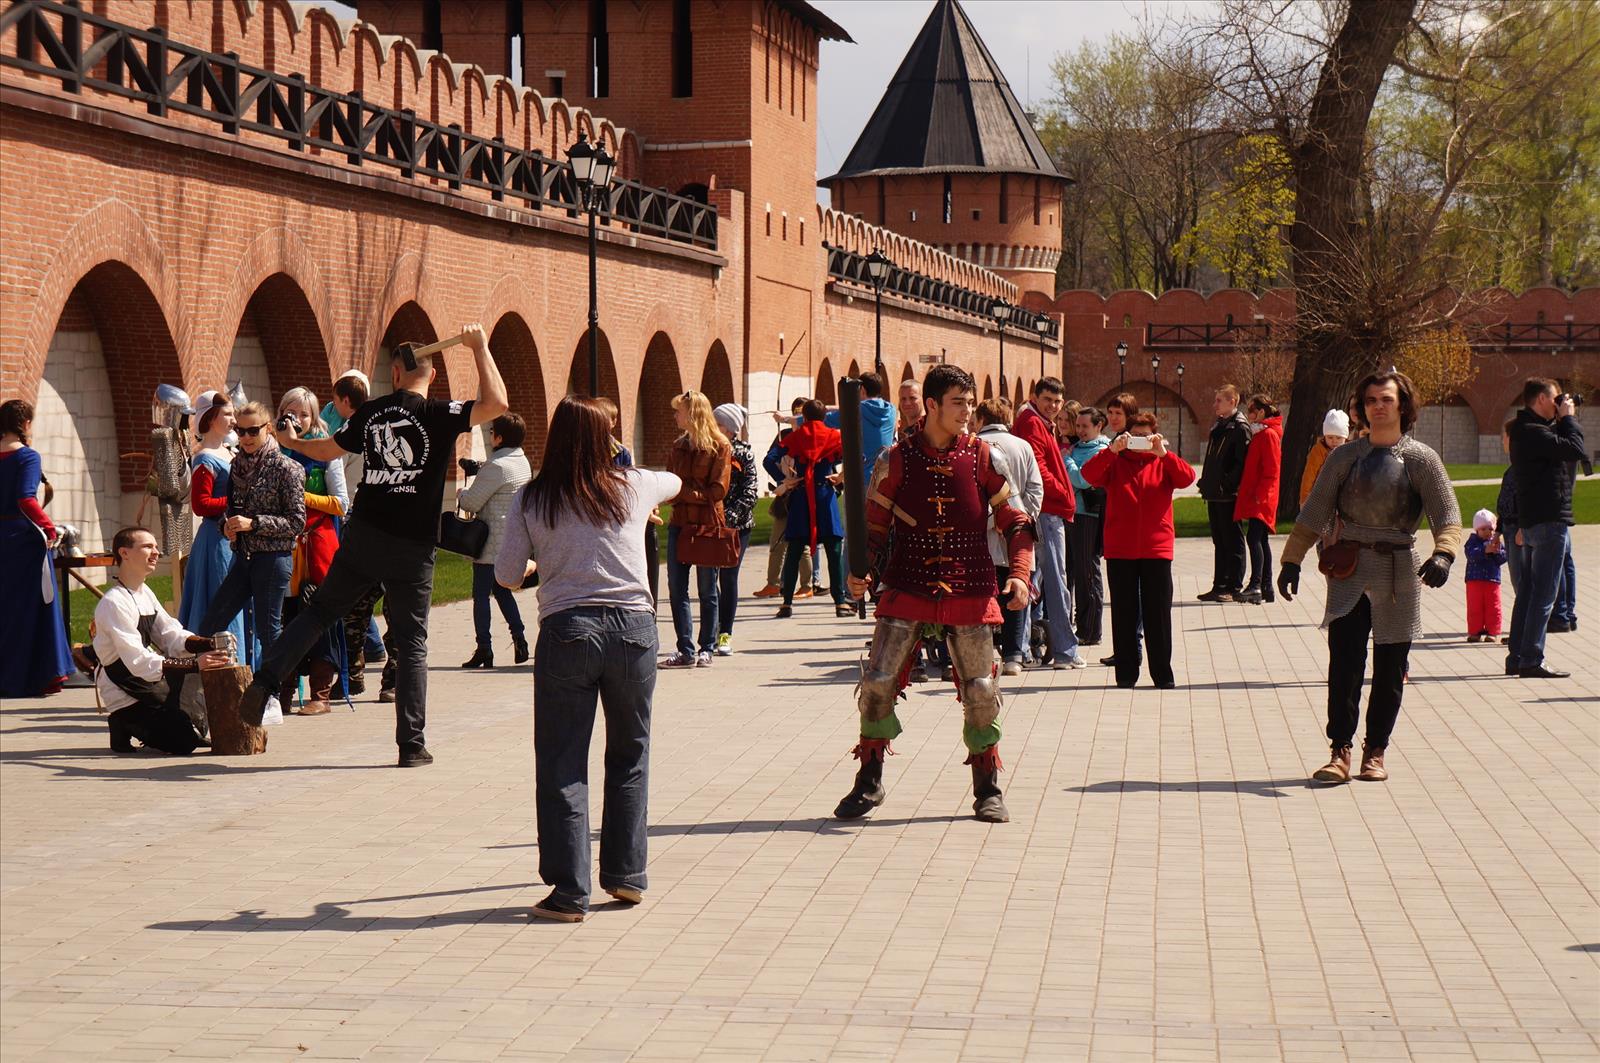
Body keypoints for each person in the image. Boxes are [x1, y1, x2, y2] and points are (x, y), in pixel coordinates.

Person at [236, 322, 509, 767]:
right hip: (413, 544)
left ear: (396, 374)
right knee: (412, 641)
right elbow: (497, 403)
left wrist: (288, 440)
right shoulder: (440, 413)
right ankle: (411, 745)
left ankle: (265, 682)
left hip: (365, 535)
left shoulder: (373, 411)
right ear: (432, 375)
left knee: (321, 611)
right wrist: (480, 348)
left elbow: (326, 451)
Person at [495, 396, 682, 921]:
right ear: (608, 442)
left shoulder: (533, 498)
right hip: (634, 631)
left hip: (567, 631)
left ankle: (568, 891)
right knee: (630, 755)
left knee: (561, 761)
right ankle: (626, 874)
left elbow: (507, 574)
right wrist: (627, 469)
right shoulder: (632, 486)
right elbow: (674, 481)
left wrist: (544, 564)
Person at [834, 364, 1035, 824]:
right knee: (878, 682)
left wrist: (1021, 573)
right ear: (931, 405)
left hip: (970, 582)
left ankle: (987, 787)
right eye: (958, 403)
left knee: (982, 690)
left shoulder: (985, 456)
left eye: (970, 402)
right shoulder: (896, 458)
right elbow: (873, 527)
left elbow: (1017, 521)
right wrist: (858, 573)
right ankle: (868, 780)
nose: (967, 411)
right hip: (908, 581)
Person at [1278, 370, 1462, 785]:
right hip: (1349, 567)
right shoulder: (1344, 458)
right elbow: (1314, 514)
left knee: (1390, 666)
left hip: (1398, 569)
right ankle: (1339, 749)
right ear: (1360, 408)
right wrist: (1292, 559)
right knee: (1344, 663)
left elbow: (1448, 516)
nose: (1378, 406)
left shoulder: (1421, 459)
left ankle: (1375, 749)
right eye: (1371, 400)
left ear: (1402, 406)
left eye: (1387, 400)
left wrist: (1444, 555)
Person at [92, 526, 232, 753]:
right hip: (126, 686)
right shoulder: (113, 603)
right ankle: (121, 721)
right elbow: (137, 660)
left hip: (147, 679)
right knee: (182, 743)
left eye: (156, 547)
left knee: (196, 722)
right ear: (124, 553)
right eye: (147, 546)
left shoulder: (145, 592)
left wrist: (208, 644)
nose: (156, 552)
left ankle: (174, 724)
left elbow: (171, 636)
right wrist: (195, 664)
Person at [1081, 412, 1196, 689]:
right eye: (1136, 436)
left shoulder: (1162, 462)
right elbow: (1089, 475)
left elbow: (1187, 478)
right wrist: (1112, 450)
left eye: (1147, 435)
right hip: (1121, 548)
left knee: (1158, 612)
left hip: (1156, 548)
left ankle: (1162, 673)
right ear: (1126, 436)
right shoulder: (1116, 462)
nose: (1141, 441)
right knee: (1123, 612)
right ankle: (1126, 672)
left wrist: (1163, 453)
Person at [196, 401, 305, 672]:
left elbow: (296, 522)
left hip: (273, 559)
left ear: (268, 429)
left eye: (252, 431)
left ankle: (273, 694)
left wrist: (253, 523)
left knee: (268, 632)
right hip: (244, 557)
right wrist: (226, 526)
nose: (245, 438)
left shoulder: (287, 468)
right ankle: (205, 687)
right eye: (240, 431)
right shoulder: (237, 466)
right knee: (211, 623)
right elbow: (231, 509)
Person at [274, 387, 349, 716]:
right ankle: (284, 689)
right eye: (293, 413)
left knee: (321, 616)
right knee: (285, 619)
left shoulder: (325, 450)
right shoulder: (273, 450)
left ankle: (321, 691)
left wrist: (304, 498)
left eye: (305, 414)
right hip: (284, 544)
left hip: (318, 543)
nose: (299, 420)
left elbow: (341, 504)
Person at [1504, 378, 1585, 679]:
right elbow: (1575, 449)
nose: (1558, 404)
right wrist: (1569, 419)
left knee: (1528, 592)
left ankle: (1517, 656)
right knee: (1543, 596)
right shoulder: (1535, 432)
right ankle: (1531, 659)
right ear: (1540, 399)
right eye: (1554, 400)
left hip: (1533, 521)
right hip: (1549, 520)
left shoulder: (1524, 431)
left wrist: (1561, 419)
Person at [0, 399, 73, 699]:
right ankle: (32, 676)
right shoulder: (28, 457)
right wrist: (50, 527)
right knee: (34, 607)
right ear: (25, 424)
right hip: (22, 538)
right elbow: (26, 498)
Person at [1012, 377, 1084, 669]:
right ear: (1035, 397)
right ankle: (1066, 651)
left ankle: (1024, 649)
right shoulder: (1032, 422)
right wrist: (1064, 491)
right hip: (1047, 509)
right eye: (1048, 400)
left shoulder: (1039, 421)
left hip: (1044, 507)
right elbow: (1037, 468)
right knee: (1056, 581)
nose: (1053, 406)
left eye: (1057, 402)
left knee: (1034, 581)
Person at [178, 391, 250, 665]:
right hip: (216, 540)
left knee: (236, 600)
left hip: (233, 539)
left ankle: (239, 664)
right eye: (227, 414)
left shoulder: (230, 452)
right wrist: (237, 501)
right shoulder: (204, 458)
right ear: (211, 417)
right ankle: (222, 668)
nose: (233, 419)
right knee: (221, 601)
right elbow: (201, 504)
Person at [661, 391, 731, 667]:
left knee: (707, 590)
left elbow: (718, 489)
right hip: (679, 522)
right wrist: (677, 493)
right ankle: (685, 649)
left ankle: (707, 648)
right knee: (676, 589)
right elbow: (669, 483)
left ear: (693, 413)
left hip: (707, 524)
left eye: (679, 410)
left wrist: (682, 492)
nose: (675, 415)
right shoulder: (678, 445)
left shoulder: (719, 445)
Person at [457, 412, 533, 668]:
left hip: (489, 541)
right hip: (513, 539)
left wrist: (461, 492)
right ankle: (519, 637)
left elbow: (471, 502)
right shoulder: (522, 462)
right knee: (502, 591)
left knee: (481, 595)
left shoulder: (496, 466)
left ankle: (484, 648)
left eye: (491, 432)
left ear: (499, 437)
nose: (489, 437)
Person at [974, 398, 1042, 675]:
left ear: (980, 419)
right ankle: (1014, 653)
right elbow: (1035, 489)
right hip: (1017, 531)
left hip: (983, 533)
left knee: (984, 591)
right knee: (1017, 588)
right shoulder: (1022, 446)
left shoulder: (974, 446)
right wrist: (1022, 519)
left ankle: (985, 648)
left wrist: (991, 522)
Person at [776, 399, 850, 619]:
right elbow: (856, 457)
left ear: (805, 417)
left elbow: (771, 458)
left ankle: (787, 602)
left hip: (800, 497)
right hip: (825, 495)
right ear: (825, 416)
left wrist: (786, 478)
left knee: (794, 552)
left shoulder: (796, 436)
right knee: (834, 550)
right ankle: (840, 602)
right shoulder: (835, 435)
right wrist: (840, 477)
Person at [1196, 385, 1251, 602]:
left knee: (1233, 539)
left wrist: (1227, 484)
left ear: (1233, 402)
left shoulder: (1239, 428)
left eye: (1219, 400)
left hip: (1228, 494)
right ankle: (1219, 584)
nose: (1215, 404)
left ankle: (1233, 585)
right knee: (1219, 539)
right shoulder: (1219, 427)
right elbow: (1212, 459)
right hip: (1214, 492)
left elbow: (1241, 462)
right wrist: (1206, 481)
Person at [756, 397, 813, 599]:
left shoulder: (812, 436)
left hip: (805, 495)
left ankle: (807, 585)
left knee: (801, 543)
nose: (796, 417)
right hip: (786, 494)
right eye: (794, 412)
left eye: (801, 414)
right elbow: (768, 460)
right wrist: (783, 480)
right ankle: (773, 584)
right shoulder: (785, 435)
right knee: (777, 541)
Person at [713, 403, 757, 655]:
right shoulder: (710, 450)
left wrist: (729, 516)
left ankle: (725, 633)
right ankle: (711, 630)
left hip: (738, 527)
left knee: (728, 577)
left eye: (717, 425)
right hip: (711, 525)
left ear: (729, 429)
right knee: (709, 580)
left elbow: (750, 491)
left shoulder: (743, 454)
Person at [1064, 406, 1110, 646]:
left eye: (1085, 426)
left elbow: (1084, 479)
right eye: (1078, 426)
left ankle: (1091, 630)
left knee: (1088, 574)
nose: (1080, 430)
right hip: (1073, 514)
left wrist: (1068, 463)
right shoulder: (1076, 449)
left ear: (1098, 426)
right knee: (1075, 573)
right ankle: (1080, 625)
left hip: (1089, 517)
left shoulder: (1101, 450)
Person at [1235, 394, 1283, 605]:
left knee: (1254, 539)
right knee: (1260, 539)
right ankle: (1266, 586)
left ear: (1262, 412)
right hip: (1261, 495)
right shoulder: (1262, 434)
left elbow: (1271, 471)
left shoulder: (1268, 435)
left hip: (1263, 496)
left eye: (1252, 411)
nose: (1248, 415)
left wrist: (1261, 495)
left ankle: (1256, 584)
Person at [1464, 508, 1508, 642]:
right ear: (1476, 530)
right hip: (1474, 579)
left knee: (1493, 606)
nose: (1487, 532)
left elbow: (1503, 559)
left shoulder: (1496, 542)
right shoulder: (1472, 542)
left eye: (1490, 529)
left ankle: (1492, 632)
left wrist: (1496, 552)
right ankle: (1474, 631)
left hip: (1492, 579)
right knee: (1474, 606)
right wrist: (1484, 550)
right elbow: (1471, 555)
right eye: (1483, 529)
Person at [1299, 409, 1350, 507]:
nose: (1334, 441)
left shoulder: (1349, 452)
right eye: (1330, 437)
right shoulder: (1318, 451)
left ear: (1345, 438)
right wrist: (1304, 498)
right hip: (1320, 497)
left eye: (1338, 438)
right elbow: (1309, 474)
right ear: (1325, 436)